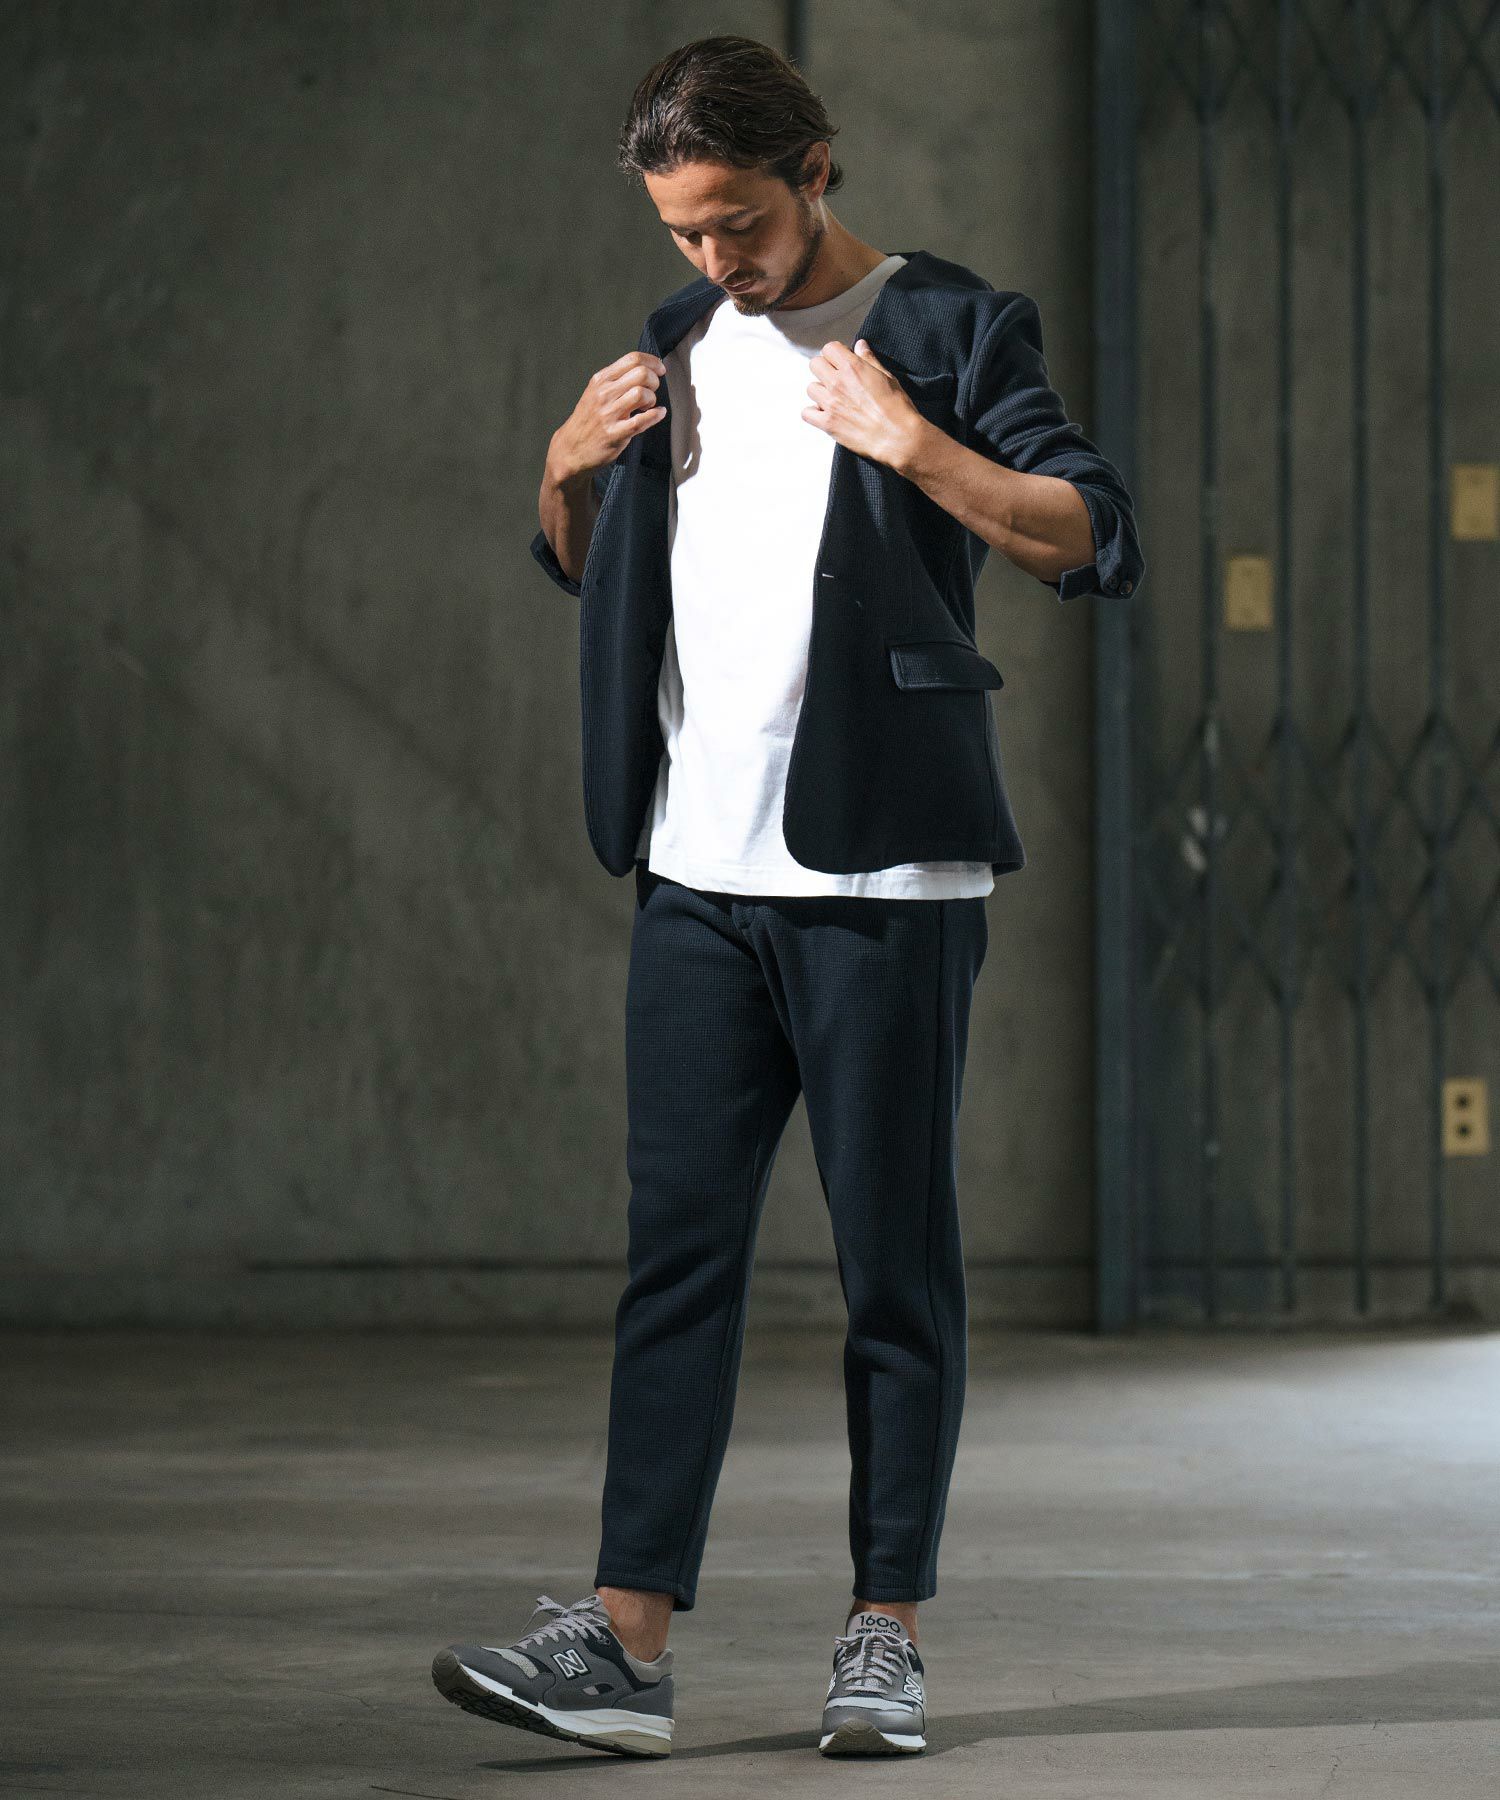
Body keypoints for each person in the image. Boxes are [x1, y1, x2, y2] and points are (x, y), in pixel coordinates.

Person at [431, 33, 1143, 1760]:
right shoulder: (676, 341)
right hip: (696, 876)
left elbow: (1088, 534)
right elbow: (605, 579)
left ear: (816, 170)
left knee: (896, 1266)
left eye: (738, 222)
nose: (715, 258)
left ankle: (885, 1634)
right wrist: (560, 471)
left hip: (882, 874)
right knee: (675, 1259)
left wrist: (915, 446)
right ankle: (625, 1645)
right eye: (683, 229)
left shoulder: (955, 327)